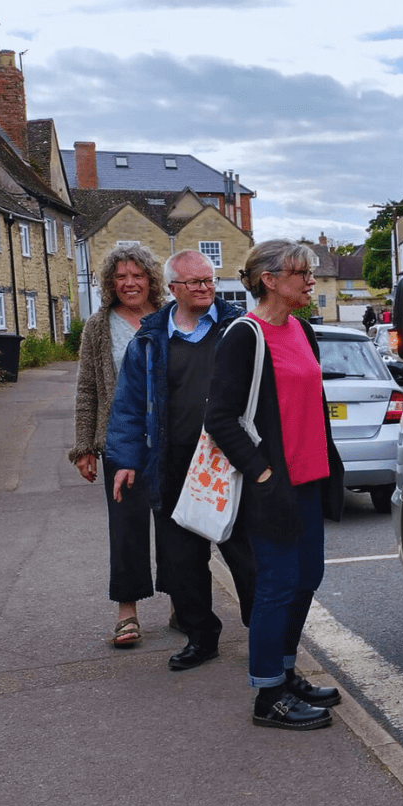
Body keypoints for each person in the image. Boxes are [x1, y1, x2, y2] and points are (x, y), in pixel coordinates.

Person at [206, 240, 345, 731]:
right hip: (273, 486)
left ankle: (286, 674)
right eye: (301, 272)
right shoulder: (244, 335)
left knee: (308, 578)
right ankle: (268, 695)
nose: (311, 280)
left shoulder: (304, 330)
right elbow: (220, 418)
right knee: (277, 586)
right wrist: (262, 472)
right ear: (269, 279)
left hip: (309, 479)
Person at [104, 250, 258, 671]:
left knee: (246, 555)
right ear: (173, 289)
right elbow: (130, 406)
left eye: (209, 280)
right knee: (182, 560)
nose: (205, 288)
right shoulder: (150, 339)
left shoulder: (239, 328)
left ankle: (265, 636)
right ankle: (201, 636)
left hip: (230, 464)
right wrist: (125, 460)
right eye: (194, 283)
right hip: (172, 466)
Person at [69, 243, 164, 647]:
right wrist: (85, 445)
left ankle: (185, 604)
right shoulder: (98, 325)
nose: (130, 283)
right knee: (126, 528)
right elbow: (88, 388)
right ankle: (128, 612)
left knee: (177, 527)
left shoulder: (168, 318)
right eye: (121, 277)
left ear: (151, 280)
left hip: (168, 441)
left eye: (137, 275)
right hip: (120, 442)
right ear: (110, 283)